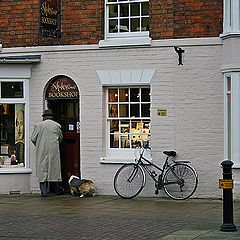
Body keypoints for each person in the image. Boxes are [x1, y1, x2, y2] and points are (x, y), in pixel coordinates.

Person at [31, 109, 63, 197]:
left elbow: (33, 139)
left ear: (44, 117)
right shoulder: (57, 125)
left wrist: (39, 144)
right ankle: (56, 190)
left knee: (42, 170)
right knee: (54, 169)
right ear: (52, 117)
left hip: (41, 150)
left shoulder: (38, 125)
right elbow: (60, 138)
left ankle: (44, 192)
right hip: (53, 150)